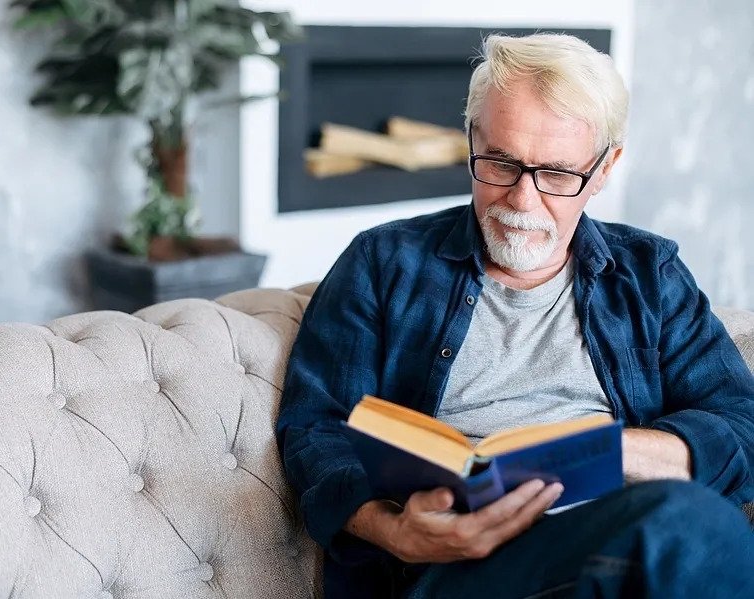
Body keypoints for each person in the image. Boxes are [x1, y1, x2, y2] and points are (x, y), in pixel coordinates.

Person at [277, 33, 754, 598]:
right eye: (500, 163)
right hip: (450, 568)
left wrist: (612, 451)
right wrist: (398, 532)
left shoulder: (649, 274)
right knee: (691, 530)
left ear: (605, 169)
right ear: (471, 141)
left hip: (616, 544)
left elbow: (741, 424)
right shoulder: (383, 263)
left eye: (556, 174)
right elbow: (314, 429)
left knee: (687, 528)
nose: (521, 201)